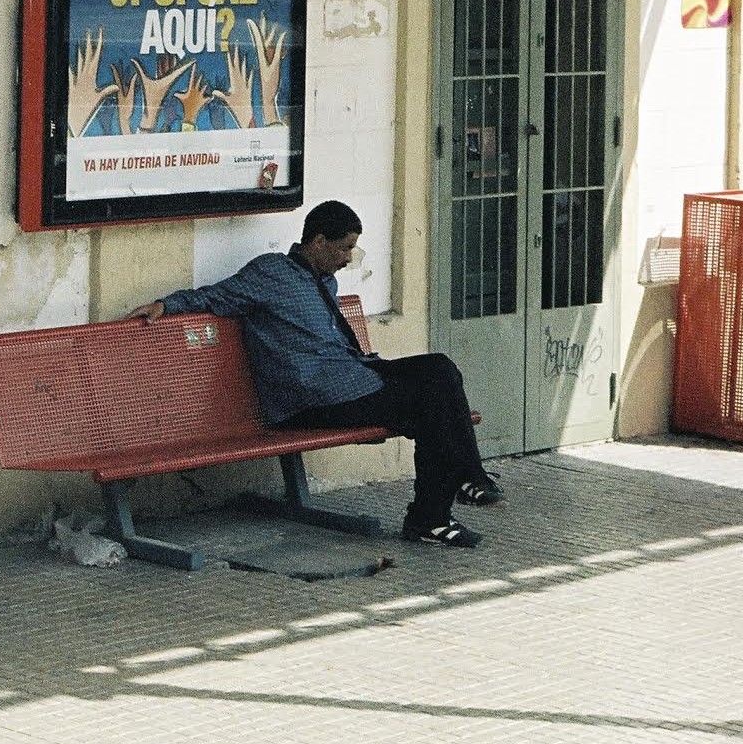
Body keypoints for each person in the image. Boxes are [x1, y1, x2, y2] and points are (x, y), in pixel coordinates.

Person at [127, 199, 502, 547]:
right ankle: (433, 516)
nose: (348, 257)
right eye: (344, 248)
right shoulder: (270, 273)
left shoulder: (325, 280)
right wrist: (165, 304)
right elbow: (215, 296)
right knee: (431, 406)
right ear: (319, 241)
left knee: (439, 368)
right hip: (311, 400)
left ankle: (465, 481)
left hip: (352, 378)